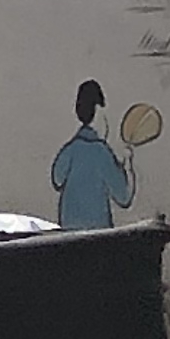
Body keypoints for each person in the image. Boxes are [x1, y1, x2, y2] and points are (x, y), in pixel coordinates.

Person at [51, 81, 138, 231]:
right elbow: (124, 197)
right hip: (98, 231)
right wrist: (128, 164)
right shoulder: (102, 154)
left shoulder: (71, 149)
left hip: (68, 229)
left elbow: (57, 178)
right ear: (98, 111)